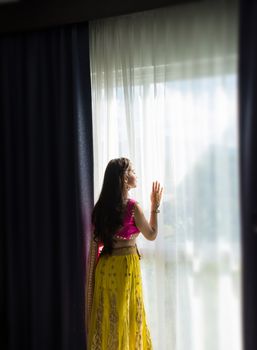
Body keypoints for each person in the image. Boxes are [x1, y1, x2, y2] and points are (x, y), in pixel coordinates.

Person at [86, 157, 163, 350]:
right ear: (123, 178)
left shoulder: (101, 208)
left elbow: (99, 241)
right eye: (133, 171)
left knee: (109, 318)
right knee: (125, 317)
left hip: (104, 268)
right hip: (125, 269)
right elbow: (151, 234)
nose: (136, 175)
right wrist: (154, 207)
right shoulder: (132, 207)